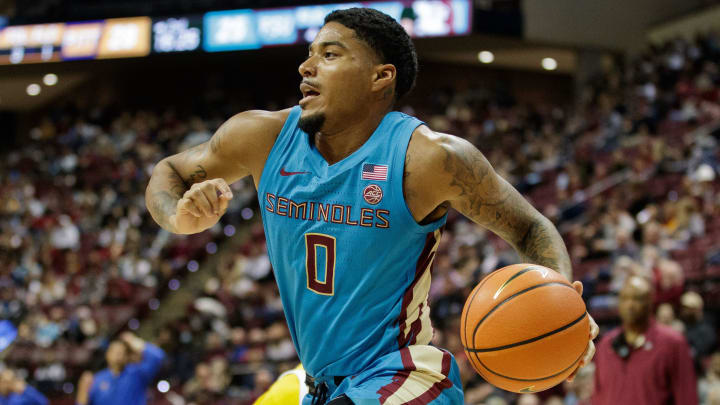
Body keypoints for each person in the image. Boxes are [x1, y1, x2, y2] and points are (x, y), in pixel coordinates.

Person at [145, 7, 597, 404]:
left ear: (381, 77)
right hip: (323, 384)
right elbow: (171, 172)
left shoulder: (430, 158)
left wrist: (556, 300)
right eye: (309, 53)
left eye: (330, 54)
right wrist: (179, 217)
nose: (306, 67)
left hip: (403, 375)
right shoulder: (260, 137)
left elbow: (529, 227)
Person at [592, 276, 698, 404]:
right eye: (625, 298)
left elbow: (686, 397)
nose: (630, 305)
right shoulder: (605, 345)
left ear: (650, 302)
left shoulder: (673, 343)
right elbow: (598, 396)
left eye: (637, 299)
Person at [75, 332, 165, 405]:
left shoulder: (137, 374)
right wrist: (82, 393)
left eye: (122, 352)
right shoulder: (96, 379)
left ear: (127, 356)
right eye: (114, 351)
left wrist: (134, 341)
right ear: (107, 354)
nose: (118, 354)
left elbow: (158, 356)